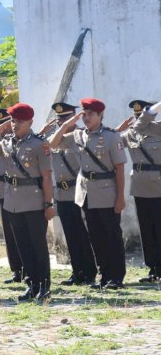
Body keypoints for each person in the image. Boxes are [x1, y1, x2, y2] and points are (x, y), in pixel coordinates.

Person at [0, 103, 56, 301]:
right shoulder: (6, 143)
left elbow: (46, 177)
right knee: (23, 246)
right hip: (12, 202)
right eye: (12, 120)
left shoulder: (40, 143)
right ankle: (31, 284)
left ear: (30, 122)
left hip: (34, 201)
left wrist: (49, 204)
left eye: (19, 121)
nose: (14, 124)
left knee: (37, 245)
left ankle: (43, 285)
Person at [49, 98, 127, 289]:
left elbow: (119, 169)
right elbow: (52, 143)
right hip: (86, 194)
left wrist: (120, 197)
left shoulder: (111, 136)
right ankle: (104, 276)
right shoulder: (78, 135)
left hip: (107, 192)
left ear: (101, 115)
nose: (87, 118)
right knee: (96, 237)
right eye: (84, 114)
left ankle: (116, 277)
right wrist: (67, 124)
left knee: (111, 236)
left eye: (91, 114)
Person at [43, 102, 97, 286]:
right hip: (61, 191)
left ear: (75, 117)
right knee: (70, 234)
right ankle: (77, 272)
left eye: (66, 118)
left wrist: (68, 126)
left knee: (83, 233)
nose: (62, 122)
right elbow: (48, 144)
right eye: (59, 119)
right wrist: (60, 127)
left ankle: (89, 272)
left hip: (79, 190)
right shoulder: (55, 137)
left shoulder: (81, 135)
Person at [116, 99, 161, 283]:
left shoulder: (158, 128)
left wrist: (150, 112)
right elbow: (109, 142)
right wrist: (120, 128)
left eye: (140, 115)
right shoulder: (131, 134)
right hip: (140, 186)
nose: (137, 120)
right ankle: (153, 268)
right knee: (146, 229)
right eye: (135, 116)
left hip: (158, 186)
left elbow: (144, 123)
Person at [0, 109, 25, 285]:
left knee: (21, 232)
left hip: (19, 191)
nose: (1, 129)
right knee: (8, 233)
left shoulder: (15, 142)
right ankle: (16, 270)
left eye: (3, 125)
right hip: (2, 189)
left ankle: (27, 268)